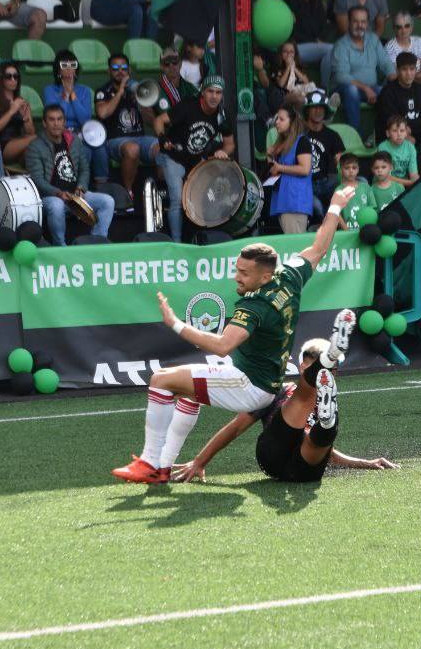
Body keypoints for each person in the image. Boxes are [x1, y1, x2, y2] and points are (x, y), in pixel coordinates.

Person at [110, 185, 359, 484]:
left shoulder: (256, 305)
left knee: (161, 380)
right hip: (264, 379)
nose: (236, 277)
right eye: (236, 269)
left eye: (243, 273)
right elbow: (319, 247)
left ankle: (151, 463)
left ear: (264, 276)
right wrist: (334, 207)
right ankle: (162, 466)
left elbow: (223, 346)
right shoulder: (289, 276)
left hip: (249, 384)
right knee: (186, 391)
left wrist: (175, 323)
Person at [171, 334, 398, 485]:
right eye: (314, 365)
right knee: (298, 408)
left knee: (320, 435)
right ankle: (323, 370)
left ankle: (327, 424)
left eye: (330, 369)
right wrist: (200, 461)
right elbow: (235, 428)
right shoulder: (276, 391)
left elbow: (323, 450)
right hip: (272, 453)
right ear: (301, 366)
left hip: (303, 472)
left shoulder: (325, 400)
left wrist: (364, 463)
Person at [155, 75, 235, 241]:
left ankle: (202, 238)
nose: (214, 96)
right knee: (177, 198)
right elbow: (159, 120)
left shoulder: (221, 116)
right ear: (202, 92)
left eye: (218, 93)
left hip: (196, 161)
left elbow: (230, 144)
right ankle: (176, 243)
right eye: (210, 91)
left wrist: (223, 153)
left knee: (209, 194)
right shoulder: (187, 107)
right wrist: (162, 138)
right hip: (173, 157)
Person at [24, 104, 114, 244]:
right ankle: (60, 246)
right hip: (50, 197)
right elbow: (37, 180)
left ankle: (97, 242)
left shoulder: (73, 141)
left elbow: (84, 168)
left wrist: (81, 187)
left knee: (107, 201)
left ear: (64, 122)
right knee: (56, 206)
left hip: (75, 196)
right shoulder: (35, 146)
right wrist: (58, 193)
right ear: (44, 123)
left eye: (59, 119)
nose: (56, 123)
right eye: (51, 119)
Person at [94, 53, 158, 194]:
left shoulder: (137, 90)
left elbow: (152, 121)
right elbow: (103, 113)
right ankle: (127, 191)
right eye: (116, 68)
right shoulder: (103, 91)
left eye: (124, 68)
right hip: (115, 140)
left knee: (162, 148)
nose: (120, 71)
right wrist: (121, 91)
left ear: (129, 71)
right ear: (109, 71)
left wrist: (142, 102)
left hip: (141, 138)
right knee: (132, 148)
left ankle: (162, 190)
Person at [329, 6, 395, 129]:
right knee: (351, 90)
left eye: (363, 22)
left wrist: (395, 77)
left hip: (371, 89)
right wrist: (365, 88)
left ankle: (382, 134)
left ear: (367, 23)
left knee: (386, 92)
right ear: (349, 22)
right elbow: (341, 76)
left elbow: (385, 63)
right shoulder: (341, 45)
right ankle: (354, 134)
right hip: (344, 89)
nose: (360, 25)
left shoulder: (373, 39)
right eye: (355, 21)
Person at [265, 106, 314, 234]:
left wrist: (280, 167)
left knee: (296, 246)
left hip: (294, 201)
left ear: (291, 122)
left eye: (281, 119)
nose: (277, 122)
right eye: (276, 119)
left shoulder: (302, 141)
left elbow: (305, 169)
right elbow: (274, 169)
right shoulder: (280, 144)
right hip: (282, 200)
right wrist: (270, 157)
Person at [301, 90, 345, 215]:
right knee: (318, 208)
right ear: (307, 111)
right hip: (306, 184)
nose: (318, 111)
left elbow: (341, 160)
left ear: (326, 111)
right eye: (314, 107)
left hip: (328, 183)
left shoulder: (332, 135)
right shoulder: (299, 135)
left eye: (321, 108)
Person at [375, 52, 421, 143]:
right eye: (404, 69)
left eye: (412, 69)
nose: (409, 73)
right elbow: (394, 123)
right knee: (407, 138)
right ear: (397, 70)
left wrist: (410, 127)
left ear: (416, 70)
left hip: (419, 134)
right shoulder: (388, 92)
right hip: (396, 136)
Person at [289, 0, 332, 66]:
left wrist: (320, 39)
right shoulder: (291, 0)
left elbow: (324, 26)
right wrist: (314, 41)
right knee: (333, 50)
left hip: (317, 46)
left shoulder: (318, 2)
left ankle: (326, 82)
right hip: (297, 48)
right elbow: (292, 31)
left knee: (330, 56)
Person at [43, 50, 93, 135]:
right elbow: (56, 119)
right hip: (58, 133)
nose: (69, 68)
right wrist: (66, 95)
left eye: (73, 65)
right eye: (64, 65)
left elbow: (85, 121)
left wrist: (73, 95)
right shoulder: (49, 90)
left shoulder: (85, 90)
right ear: (58, 70)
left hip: (81, 133)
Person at [384, 12, 421, 89]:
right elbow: (396, 74)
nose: (403, 30)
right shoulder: (389, 47)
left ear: (411, 27)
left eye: (407, 26)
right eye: (399, 27)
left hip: (418, 78)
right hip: (399, 83)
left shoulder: (419, 41)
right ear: (394, 29)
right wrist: (417, 78)